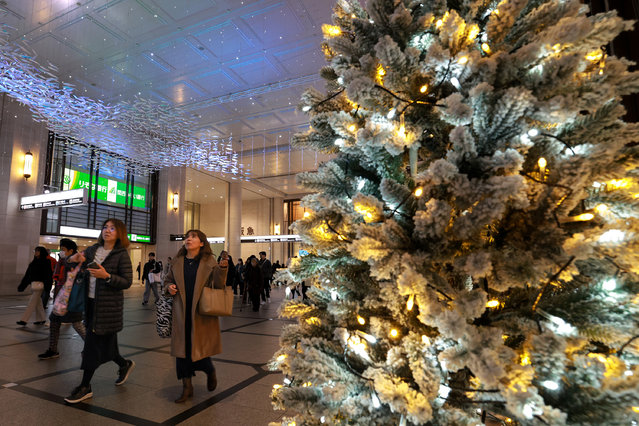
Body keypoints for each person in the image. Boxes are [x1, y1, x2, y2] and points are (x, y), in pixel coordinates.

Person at [64, 218, 134, 404]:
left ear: (120, 233)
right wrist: (73, 258)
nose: (107, 231)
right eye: (105, 227)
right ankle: (124, 364)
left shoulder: (121, 254)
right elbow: (70, 264)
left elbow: (126, 281)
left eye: (112, 228)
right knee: (107, 346)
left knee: (91, 347)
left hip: (108, 308)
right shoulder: (93, 250)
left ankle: (85, 386)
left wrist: (107, 276)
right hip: (90, 304)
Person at [164, 229, 229, 403]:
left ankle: (210, 371)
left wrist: (222, 269)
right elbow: (167, 280)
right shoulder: (177, 261)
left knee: (198, 348)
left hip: (201, 311)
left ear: (201, 243)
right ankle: (187, 387)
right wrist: (169, 287)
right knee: (181, 350)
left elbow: (218, 284)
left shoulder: (209, 261)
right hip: (181, 311)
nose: (188, 239)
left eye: (193, 237)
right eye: (187, 237)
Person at [39, 238, 87, 360]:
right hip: (62, 298)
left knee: (77, 324)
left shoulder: (76, 262)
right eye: (61, 249)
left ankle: (93, 346)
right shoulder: (63, 261)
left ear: (71, 250)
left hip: (72, 298)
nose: (61, 252)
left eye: (64, 250)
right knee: (54, 322)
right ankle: (53, 350)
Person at [17, 246, 53, 326]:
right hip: (34, 284)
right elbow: (27, 275)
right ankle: (42, 319)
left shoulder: (46, 262)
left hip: (40, 285)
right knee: (38, 303)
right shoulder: (33, 262)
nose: (36, 252)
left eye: (38, 251)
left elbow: (48, 275)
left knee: (32, 303)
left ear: (42, 252)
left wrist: (48, 287)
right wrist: (22, 286)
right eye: (35, 251)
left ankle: (24, 320)